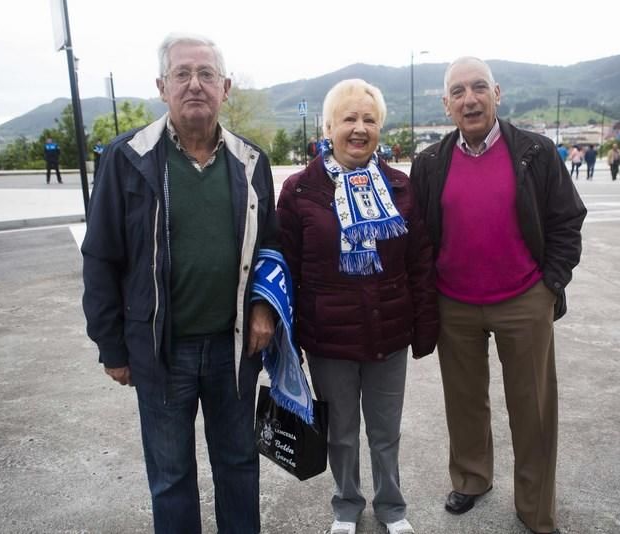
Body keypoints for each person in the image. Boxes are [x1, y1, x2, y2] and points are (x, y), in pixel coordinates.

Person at [81, 32, 278, 534]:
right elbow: (101, 257)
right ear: (161, 86)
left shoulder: (251, 162)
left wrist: (263, 309)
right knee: (170, 477)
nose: (195, 84)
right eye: (182, 74)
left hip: (232, 350)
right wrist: (111, 346)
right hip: (159, 350)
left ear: (225, 87)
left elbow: (271, 251)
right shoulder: (127, 158)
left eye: (206, 74)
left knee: (238, 466)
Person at [410, 57, 586, 534]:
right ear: (447, 105)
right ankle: (471, 479)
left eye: (479, 88)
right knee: (464, 402)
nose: (470, 99)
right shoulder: (429, 162)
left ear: (497, 93)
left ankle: (535, 506)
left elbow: (567, 218)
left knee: (533, 408)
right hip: (455, 302)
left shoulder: (535, 151)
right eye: (459, 92)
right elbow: (420, 233)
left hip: (524, 299)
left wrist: (551, 284)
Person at [277, 79, 438, 534]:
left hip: (390, 332)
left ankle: (392, 507)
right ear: (329, 126)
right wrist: (285, 339)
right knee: (341, 433)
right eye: (349, 118)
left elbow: (420, 260)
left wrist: (425, 325)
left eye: (369, 119)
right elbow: (284, 266)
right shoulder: (300, 191)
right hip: (329, 337)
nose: (360, 128)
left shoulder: (400, 187)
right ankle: (346, 505)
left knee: (386, 433)